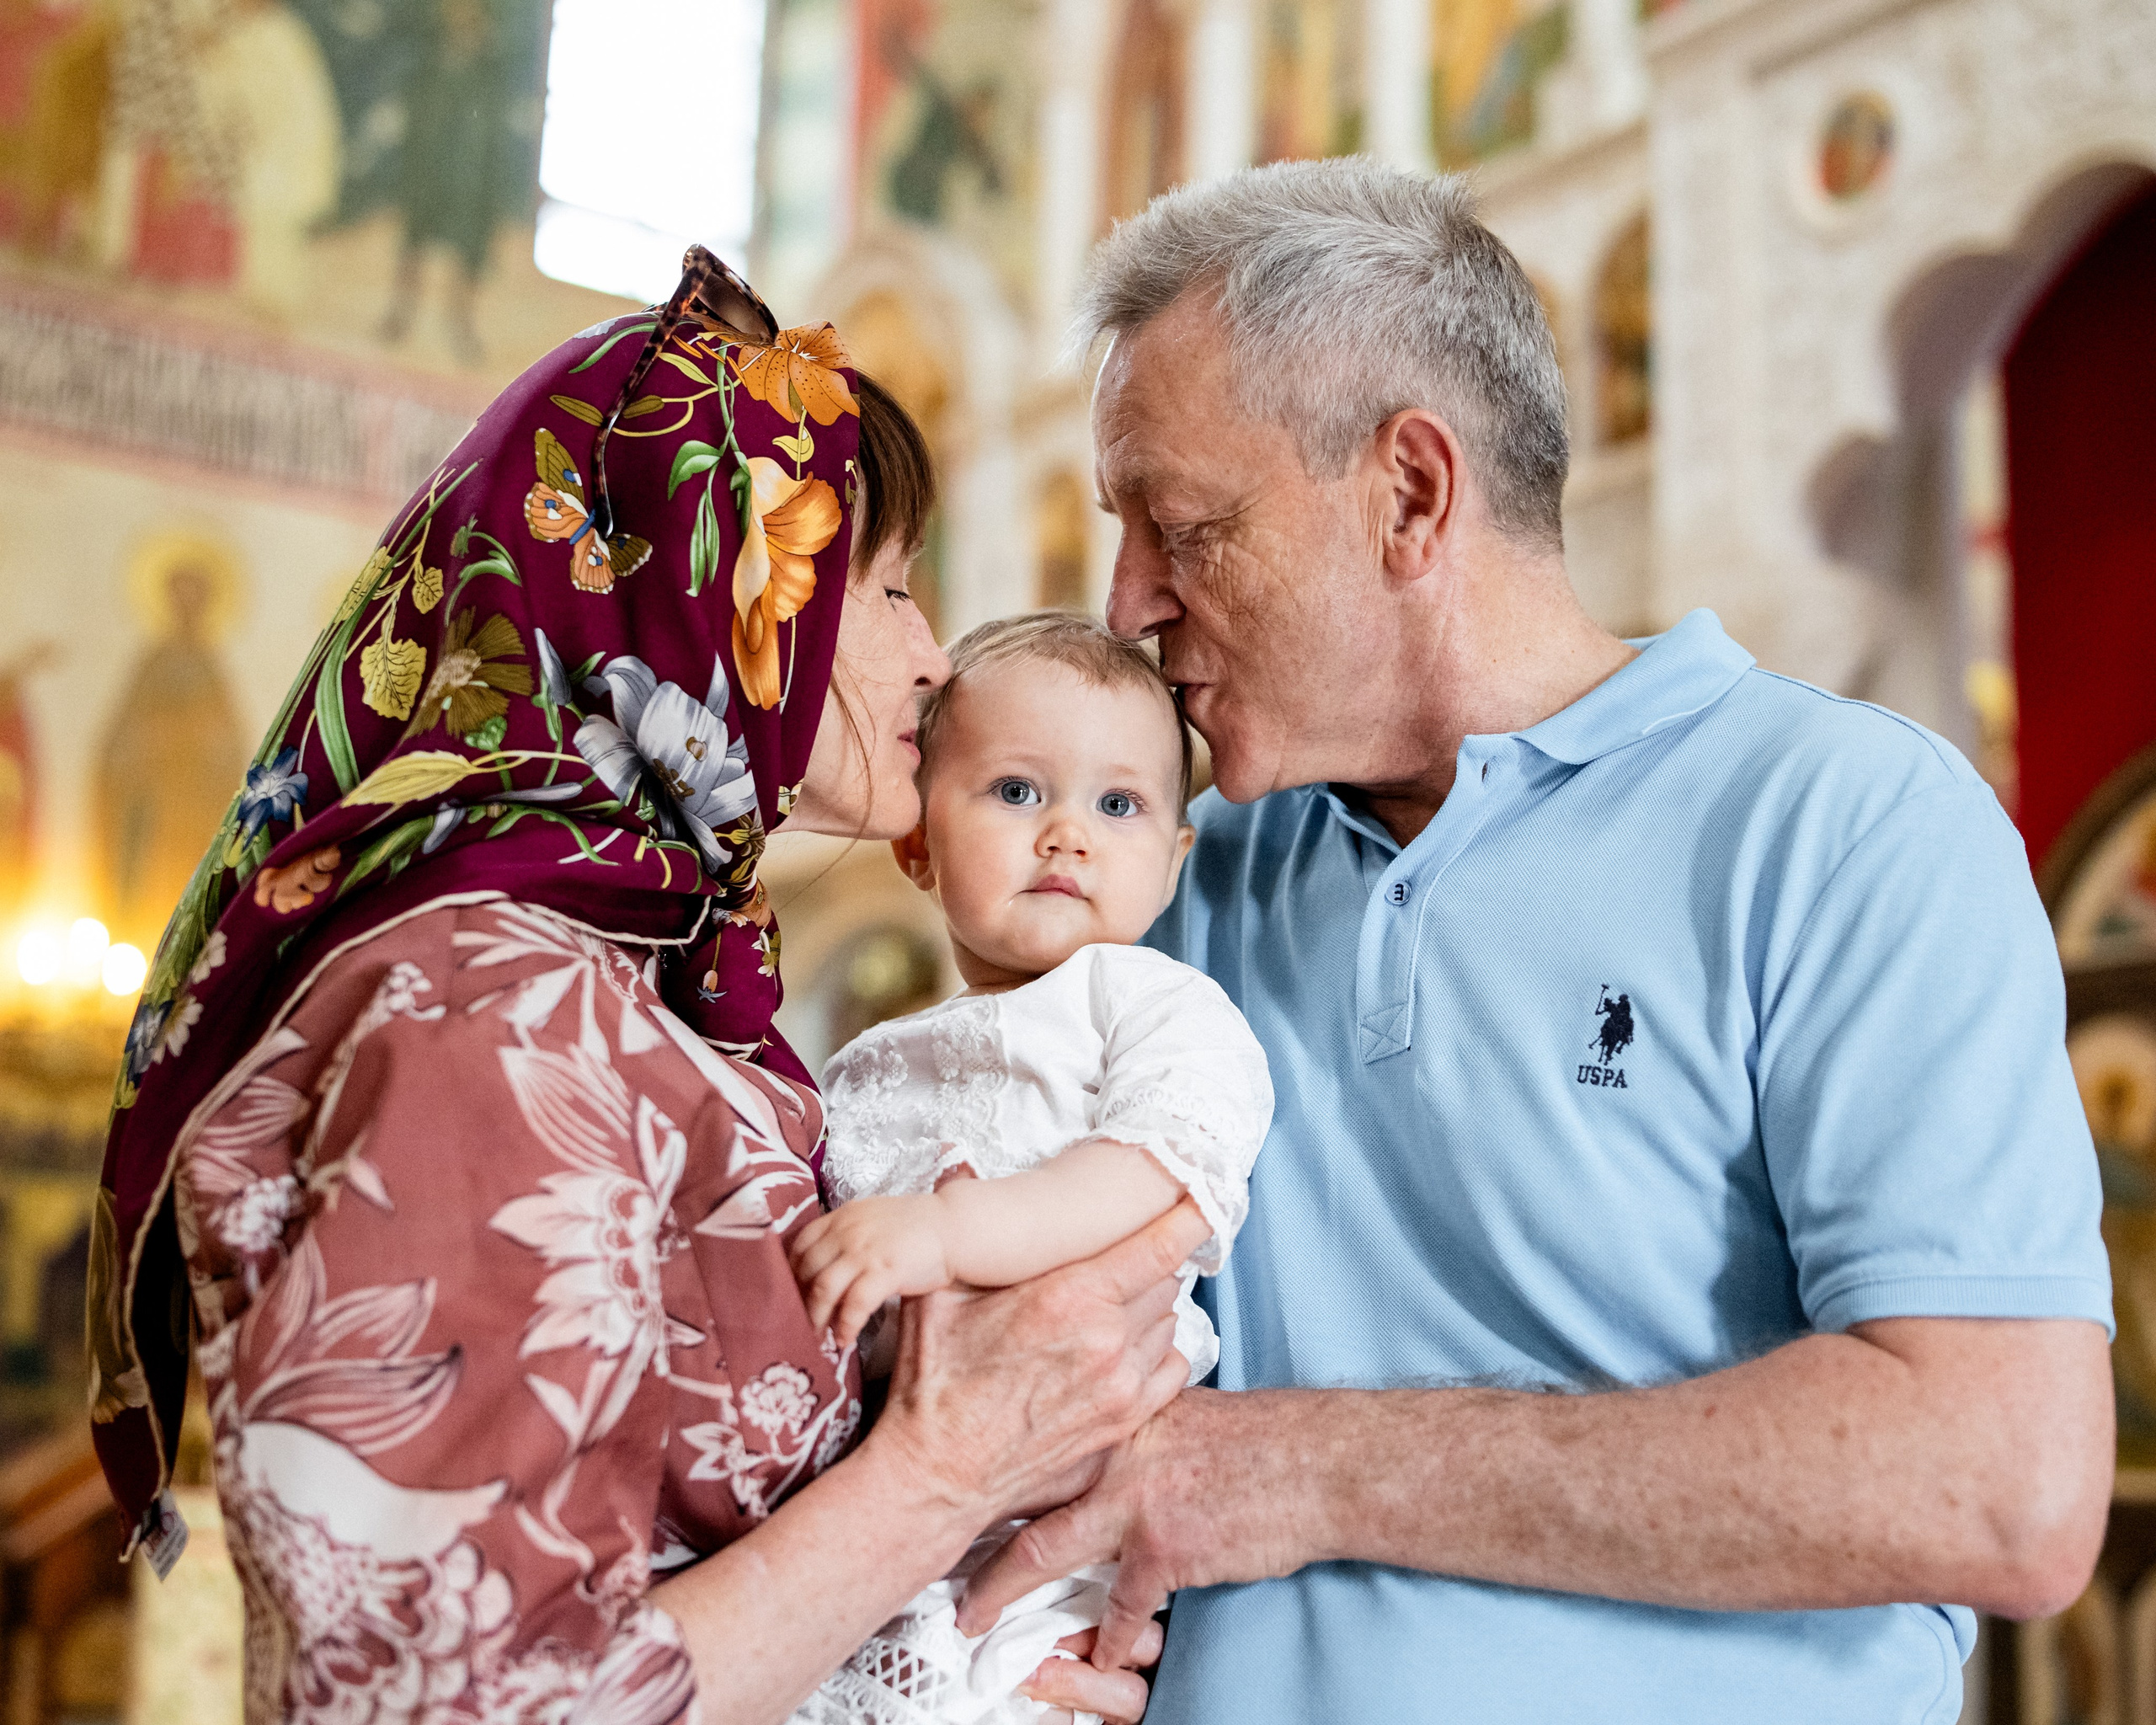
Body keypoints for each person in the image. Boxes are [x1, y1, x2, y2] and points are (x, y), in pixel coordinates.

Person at [960, 159, 2116, 1721]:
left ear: (1413, 494)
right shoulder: (1171, 874)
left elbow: (2002, 1482)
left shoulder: (1842, 823)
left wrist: (1299, 1469)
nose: (1129, 603)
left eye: (1183, 529)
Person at [86, 248, 1198, 1725]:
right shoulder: (483, 1005)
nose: (933, 659)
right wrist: (947, 1472)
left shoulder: (624, 973)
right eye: (885, 587)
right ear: (706, 594)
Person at [787, 612, 1273, 1723]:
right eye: (1016, 792)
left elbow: (1157, 1168)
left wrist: (947, 1237)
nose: (1066, 835)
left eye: (1118, 805)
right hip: (872, 1499)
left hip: (1056, 1537)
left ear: (1171, 857)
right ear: (916, 839)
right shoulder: (865, 1064)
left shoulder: (1152, 1006)